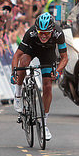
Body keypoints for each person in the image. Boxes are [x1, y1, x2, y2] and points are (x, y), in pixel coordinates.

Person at [11, 13, 68, 141]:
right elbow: (17, 56)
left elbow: (64, 58)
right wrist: (14, 73)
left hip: (47, 54)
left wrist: (58, 71)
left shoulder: (58, 33)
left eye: (46, 33)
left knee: (47, 86)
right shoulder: (31, 33)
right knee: (23, 63)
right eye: (40, 32)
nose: (43, 35)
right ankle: (19, 94)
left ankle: (44, 123)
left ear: (52, 30)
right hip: (32, 49)